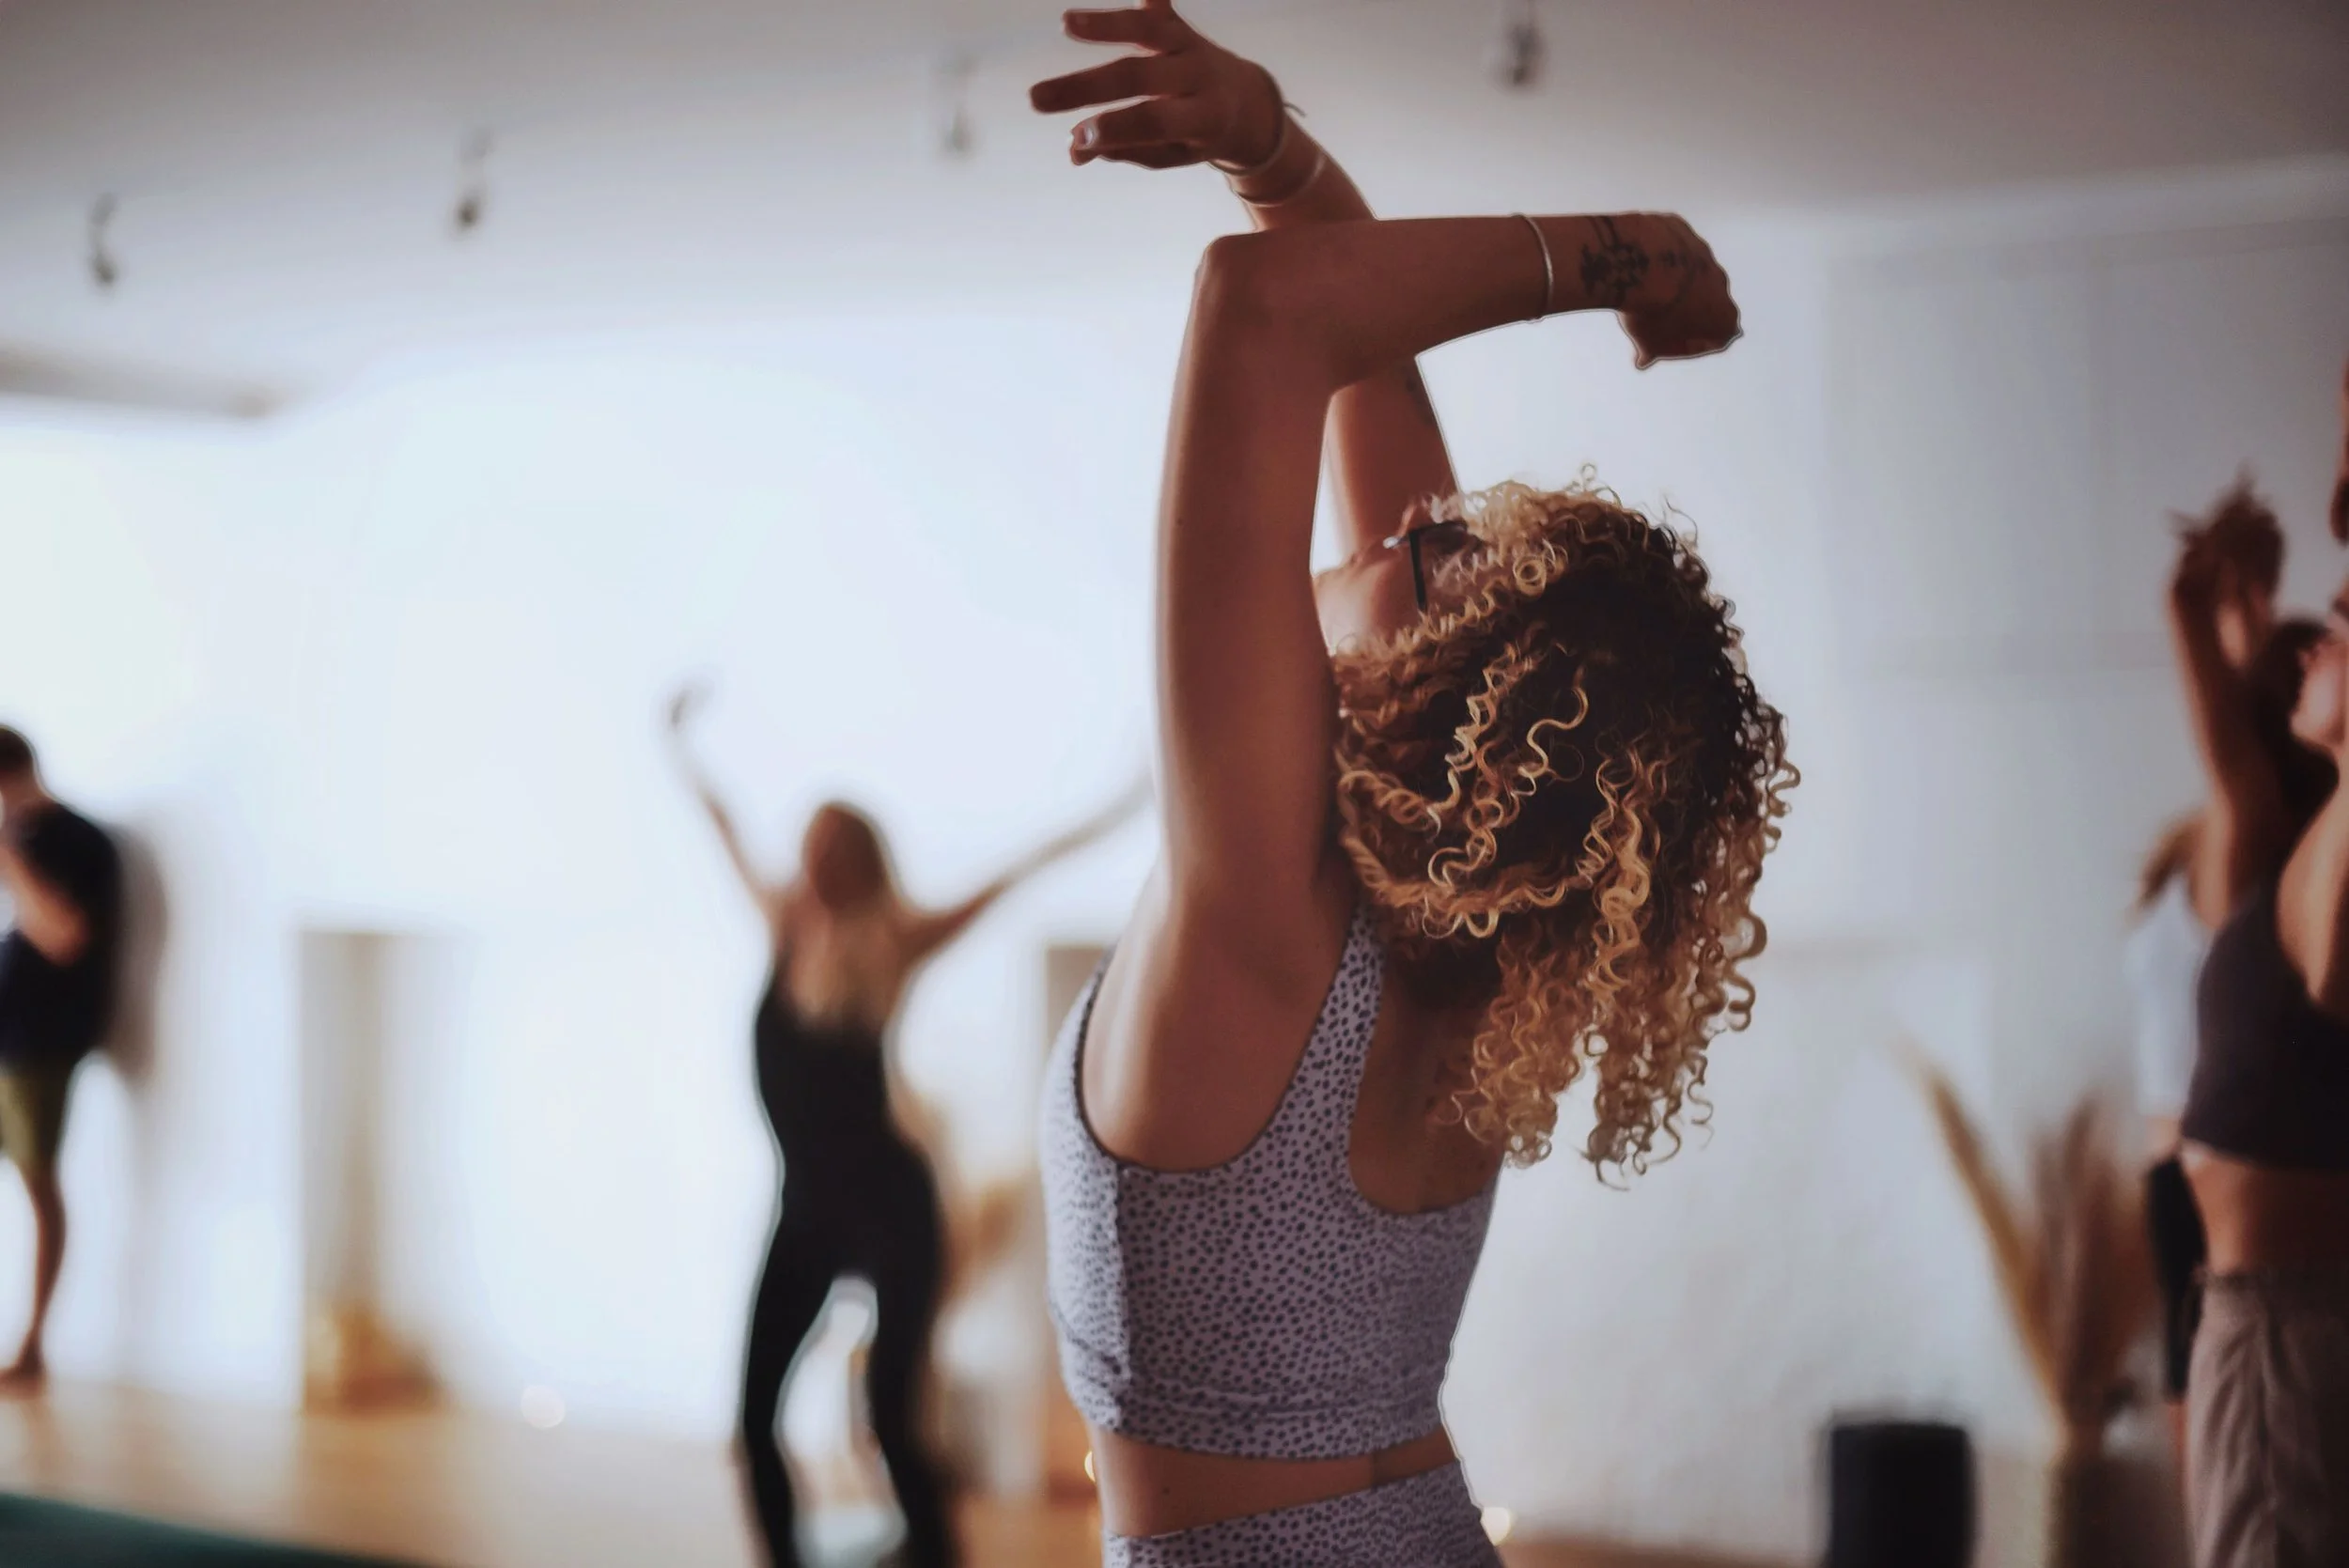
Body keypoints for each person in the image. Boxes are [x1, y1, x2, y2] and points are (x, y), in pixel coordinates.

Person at [1028, 7, 1793, 1562]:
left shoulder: (1264, 905)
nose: (1382, 534)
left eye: (1422, 561)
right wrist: (1270, 149)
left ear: (1443, 705)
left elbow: (1270, 312)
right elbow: (1331, 323)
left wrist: (1625, 251)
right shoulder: (1467, 949)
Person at [664, 685, 1140, 1568]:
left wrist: (1123, 798)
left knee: (892, 1416)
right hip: (805, 1211)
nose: (809, 866)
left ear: (859, 862)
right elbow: (723, 824)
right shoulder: (782, 929)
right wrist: (680, 743)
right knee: (753, 1414)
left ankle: (933, 1558)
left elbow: (1017, 868)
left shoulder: (892, 940)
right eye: (806, 849)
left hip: (893, 1209)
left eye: (827, 851)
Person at [2129, 482, 2333, 1464]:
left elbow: (2226, 711)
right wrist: (2249, 600)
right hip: (2185, 1181)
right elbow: (2241, 698)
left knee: (2224, 1468)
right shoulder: (2224, 846)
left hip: (2203, 1189)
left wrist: (2194, 600)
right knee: (2217, 1467)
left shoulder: (2251, 839)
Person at [2183, 465, 2349, 1555]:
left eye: (2334, 628)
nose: (2315, 653)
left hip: (2282, 1318)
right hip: (2254, 1310)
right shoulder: (2297, 847)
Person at [0, 726, 122, 1389]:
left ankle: (33, 1343)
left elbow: (66, 935)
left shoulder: (78, 841)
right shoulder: (24, 839)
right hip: (7, 1031)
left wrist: (11, 865)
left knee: (37, 1181)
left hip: (42, 1040)